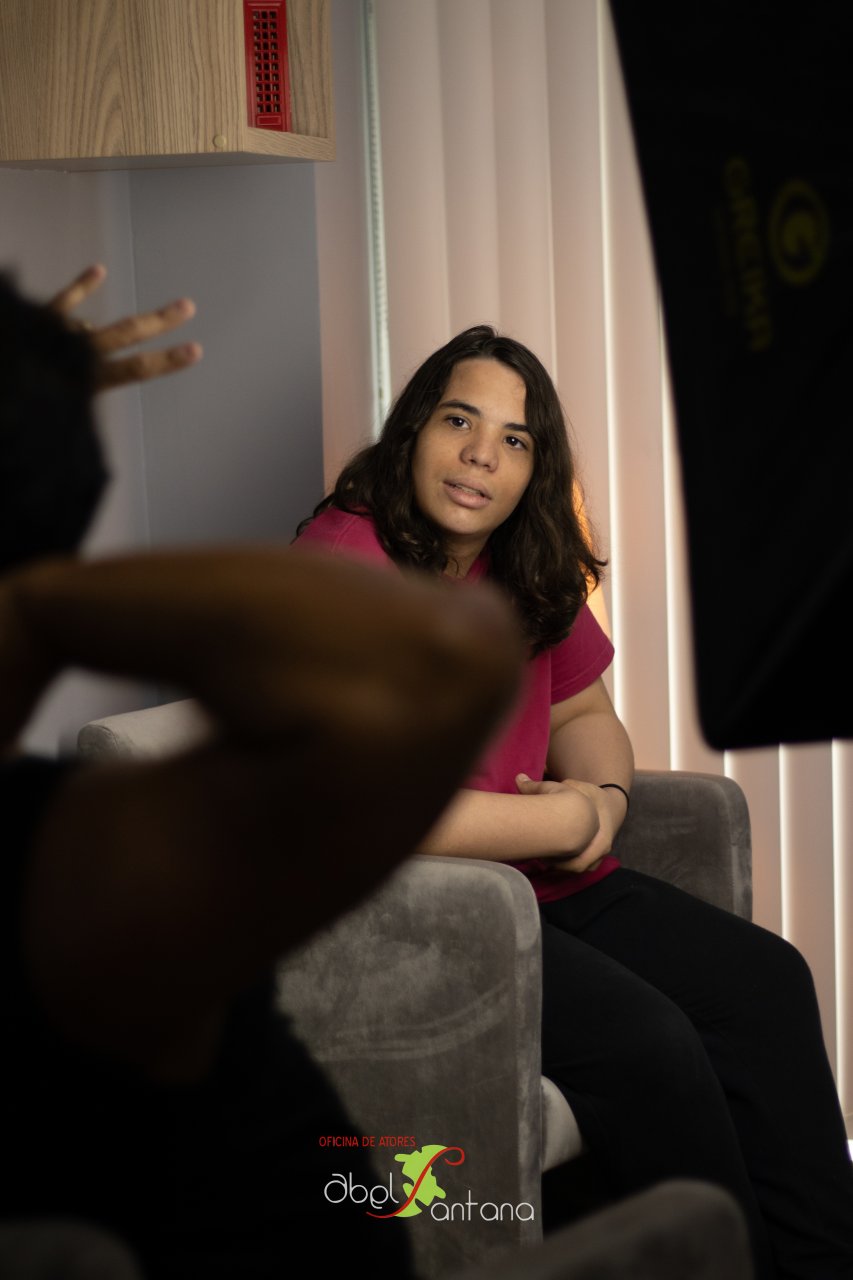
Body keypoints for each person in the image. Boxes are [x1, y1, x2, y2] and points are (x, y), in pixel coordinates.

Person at [294, 324, 853, 1280]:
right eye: (458, 421)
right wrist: (563, 820)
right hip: (422, 914)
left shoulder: (522, 557)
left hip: (547, 884)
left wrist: (602, 799)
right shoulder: (344, 561)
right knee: (652, 1044)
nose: (482, 454)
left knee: (765, 981)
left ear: (534, 469)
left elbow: (584, 711)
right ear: (412, 430)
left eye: (514, 439)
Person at [0, 274, 523, 1278]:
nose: (480, 455)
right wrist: (31, 591)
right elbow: (448, 657)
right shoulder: (67, 873)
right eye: (460, 421)